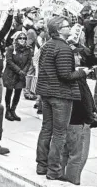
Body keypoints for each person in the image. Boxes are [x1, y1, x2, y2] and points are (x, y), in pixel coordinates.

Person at [35, 17, 92, 181]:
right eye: (67, 26)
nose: (70, 28)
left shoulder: (48, 45)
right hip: (60, 95)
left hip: (47, 94)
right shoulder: (63, 48)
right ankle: (54, 171)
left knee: (46, 129)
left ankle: (41, 165)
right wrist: (83, 73)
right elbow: (66, 75)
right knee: (59, 134)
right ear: (59, 30)